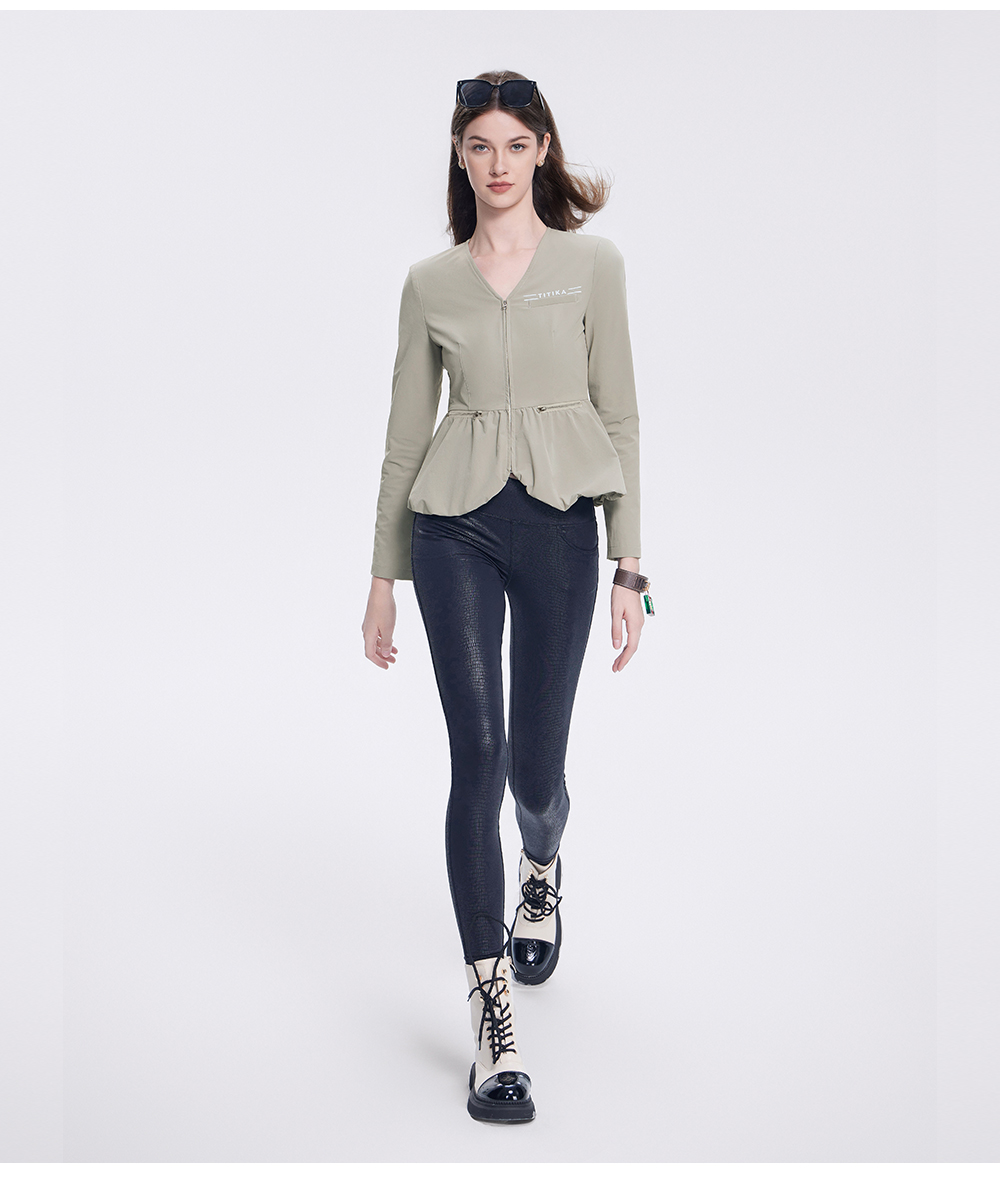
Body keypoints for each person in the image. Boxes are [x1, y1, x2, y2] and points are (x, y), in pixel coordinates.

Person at [361, 70, 651, 1124]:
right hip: (454, 528)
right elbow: (405, 436)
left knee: (534, 770)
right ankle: (492, 1014)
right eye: (478, 145)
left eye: (514, 145)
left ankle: (541, 859)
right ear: (459, 153)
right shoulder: (429, 283)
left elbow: (621, 413)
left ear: (542, 152)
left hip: (562, 529)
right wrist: (382, 575)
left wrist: (630, 564)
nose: (496, 164)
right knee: (475, 758)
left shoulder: (591, 266)